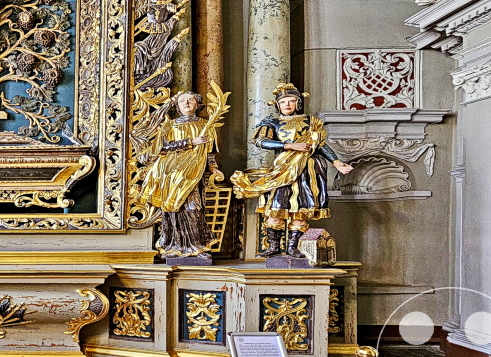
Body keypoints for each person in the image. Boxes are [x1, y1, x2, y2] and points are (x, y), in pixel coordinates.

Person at [230, 83, 353, 259]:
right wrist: (289, 145)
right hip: (283, 169)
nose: (287, 105)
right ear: (277, 104)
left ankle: (292, 247)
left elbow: (320, 145)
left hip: (308, 170)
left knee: (301, 209)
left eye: (291, 101)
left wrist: (336, 162)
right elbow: (260, 141)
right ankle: (273, 246)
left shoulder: (311, 122)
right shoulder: (271, 122)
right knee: (276, 208)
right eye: (283, 102)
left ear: (298, 103)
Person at [138, 91, 222, 259]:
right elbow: (161, 149)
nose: (187, 103)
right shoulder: (169, 126)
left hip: (193, 172)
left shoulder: (206, 125)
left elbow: (210, 152)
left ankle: (198, 246)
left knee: (194, 208)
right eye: (182, 101)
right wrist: (190, 142)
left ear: (198, 105)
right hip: (171, 172)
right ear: (177, 106)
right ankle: (174, 246)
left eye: (191, 100)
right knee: (172, 210)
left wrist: (213, 168)